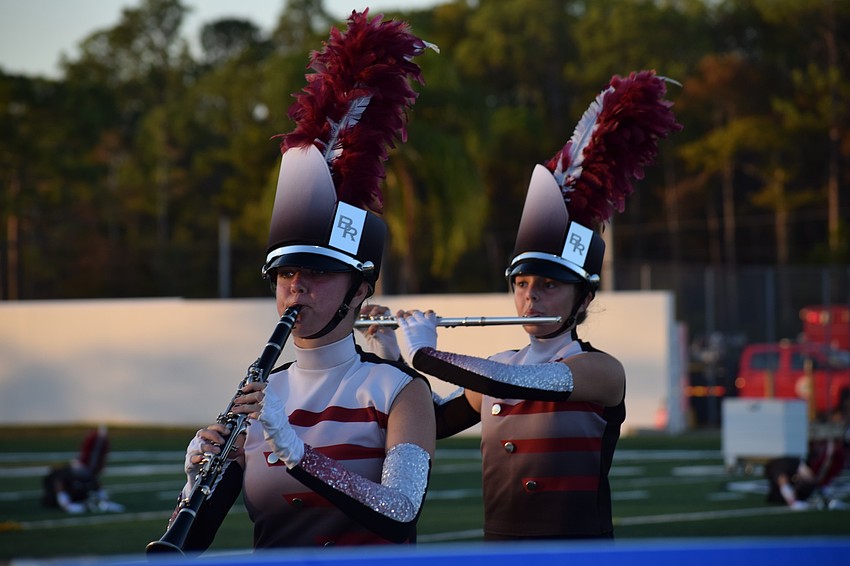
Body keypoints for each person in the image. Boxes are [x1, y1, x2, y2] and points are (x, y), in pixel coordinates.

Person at [368, 71, 681, 540]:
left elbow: (524, 383)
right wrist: (391, 355)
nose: (530, 296)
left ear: (584, 299)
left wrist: (426, 354)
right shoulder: (495, 366)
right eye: (522, 283)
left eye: (550, 285)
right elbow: (427, 420)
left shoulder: (599, 369)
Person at [166, 11, 436, 549]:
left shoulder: (400, 391)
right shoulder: (263, 396)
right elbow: (187, 547)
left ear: (362, 289)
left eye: (317, 274)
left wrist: (296, 451)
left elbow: (400, 510)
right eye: (286, 274)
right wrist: (194, 482)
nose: (296, 287)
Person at [42, 425, 124, 514]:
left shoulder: (80, 471)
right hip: (63, 495)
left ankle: (104, 502)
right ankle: (67, 504)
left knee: (90, 479)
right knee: (66, 477)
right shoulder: (68, 474)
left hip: (76, 484)